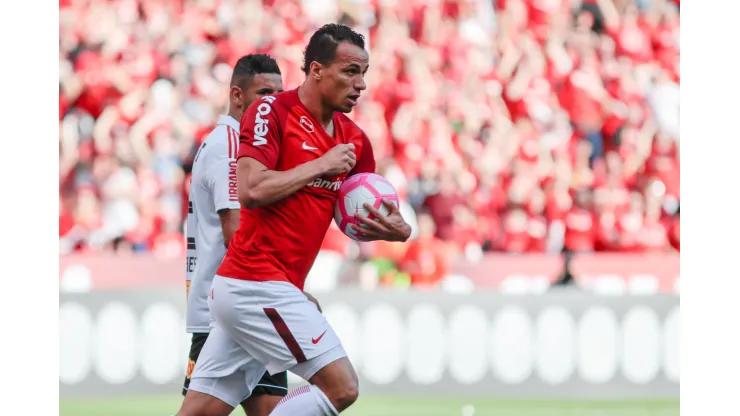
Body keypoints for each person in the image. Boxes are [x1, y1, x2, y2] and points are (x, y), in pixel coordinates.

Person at [178, 24, 412, 416]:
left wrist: (396, 228)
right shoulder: (272, 111)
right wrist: (321, 164)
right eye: (350, 71)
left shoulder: (354, 140)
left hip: (260, 288)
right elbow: (251, 189)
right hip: (256, 283)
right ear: (316, 70)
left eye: (364, 73)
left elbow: (351, 212)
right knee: (341, 388)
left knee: (200, 412)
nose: (361, 84)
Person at [184, 53, 320, 416]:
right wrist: (286, 291)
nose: (272, 103)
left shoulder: (237, 144)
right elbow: (235, 232)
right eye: (264, 93)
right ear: (237, 95)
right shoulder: (230, 147)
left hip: (241, 302)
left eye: (278, 94)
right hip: (231, 308)